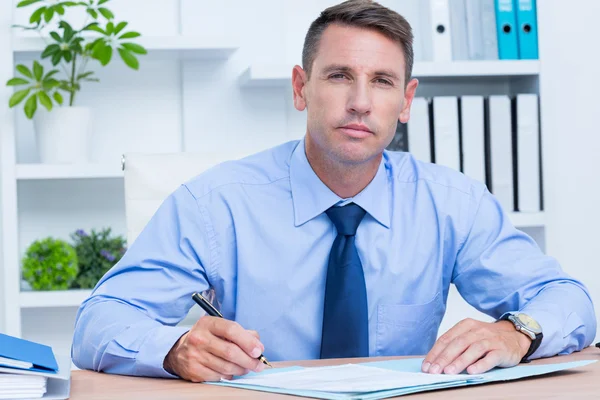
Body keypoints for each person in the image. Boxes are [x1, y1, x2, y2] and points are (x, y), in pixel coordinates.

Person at [71, 0, 596, 382]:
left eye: (383, 81)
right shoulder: (214, 205)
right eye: (340, 76)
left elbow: (569, 300)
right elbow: (99, 321)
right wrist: (174, 348)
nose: (361, 102)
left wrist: (517, 332)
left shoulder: (452, 203)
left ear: (407, 100)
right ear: (302, 87)